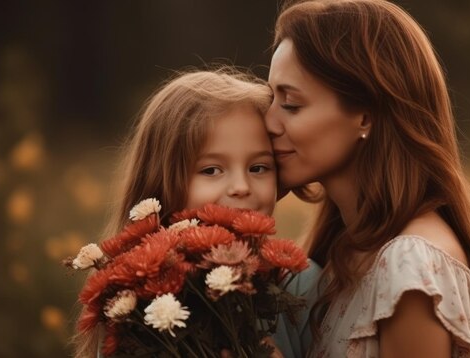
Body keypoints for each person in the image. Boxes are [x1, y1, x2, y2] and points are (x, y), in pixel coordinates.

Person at [265, 0, 470, 357]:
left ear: (365, 114)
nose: (268, 122)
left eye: (291, 104)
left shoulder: (411, 264)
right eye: (271, 99)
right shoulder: (344, 254)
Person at [72, 69, 320, 358]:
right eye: (211, 170)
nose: (241, 187)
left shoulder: (301, 282)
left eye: (258, 168)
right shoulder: (133, 302)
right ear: (160, 185)